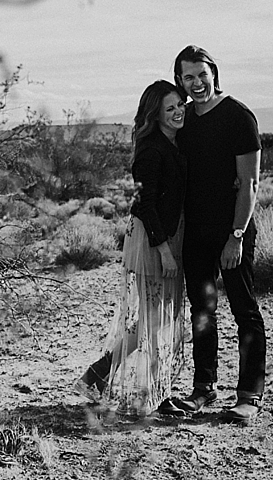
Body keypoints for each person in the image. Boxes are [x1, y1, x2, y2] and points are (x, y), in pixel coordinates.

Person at [163, 45, 266, 424]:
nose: (196, 83)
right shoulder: (185, 118)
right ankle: (203, 390)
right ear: (180, 81)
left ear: (213, 72)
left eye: (201, 74)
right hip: (196, 232)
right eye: (188, 77)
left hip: (232, 231)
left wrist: (236, 236)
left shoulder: (238, 116)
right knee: (202, 311)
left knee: (244, 310)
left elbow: (250, 184)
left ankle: (249, 396)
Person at [74, 80, 188, 417]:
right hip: (154, 242)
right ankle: (150, 395)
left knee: (157, 323)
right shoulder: (152, 150)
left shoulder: (174, 143)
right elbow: (144, 204)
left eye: (180, 104)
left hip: (169, 239)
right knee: (154, 324)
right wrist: (164, 250)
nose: (179, 111)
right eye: (170, 108)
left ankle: (100, 378)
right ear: (156, 114)